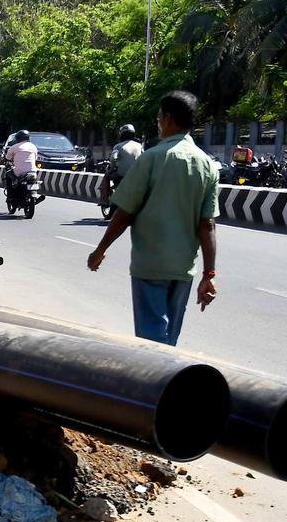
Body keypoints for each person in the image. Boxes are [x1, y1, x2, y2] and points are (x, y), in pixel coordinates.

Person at [87, 91, 220, 347]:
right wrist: (209, 273)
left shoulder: (152, 158)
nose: (158, 122)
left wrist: (101, 249)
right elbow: (208, 224)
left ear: (168, 119)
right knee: (169, 341)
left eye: (159, 117)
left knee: (152, 345)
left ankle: (158, 386)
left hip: (150, 266)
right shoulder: (207, 165)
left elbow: (125, 213)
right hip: (183, 270)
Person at [103, 124, 144, 204]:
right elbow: (144, 157)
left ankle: (105, 199)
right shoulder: (139, 146)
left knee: (106, 177)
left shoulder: (118, 146)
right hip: (137, 175)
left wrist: (111, 169)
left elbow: (114, 158)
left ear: (122, 134)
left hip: (121, 175)